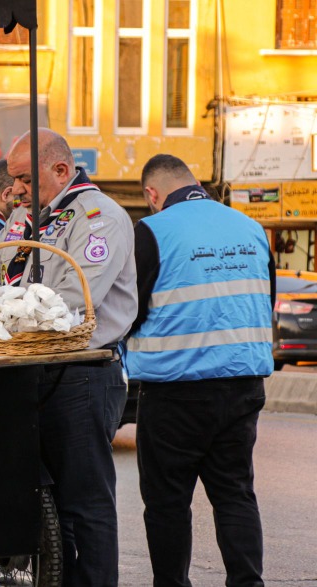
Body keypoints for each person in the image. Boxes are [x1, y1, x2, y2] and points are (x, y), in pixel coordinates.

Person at [0, 128, 137, 586]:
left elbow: (69, 303)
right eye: (15, 180)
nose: (15, 189)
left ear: (60, 171)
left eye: (24, 179)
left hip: (83, 373)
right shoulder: (24, 218)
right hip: (26, 372)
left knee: (86, 503)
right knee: (43, 506)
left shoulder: (100, 217)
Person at [127, 154, 273, 587]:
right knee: (235, 494)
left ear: (152, 194)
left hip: (176, 392)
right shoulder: (250, 227)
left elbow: (129, 309)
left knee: (168, 503)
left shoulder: (152, 230)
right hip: (243, 386)